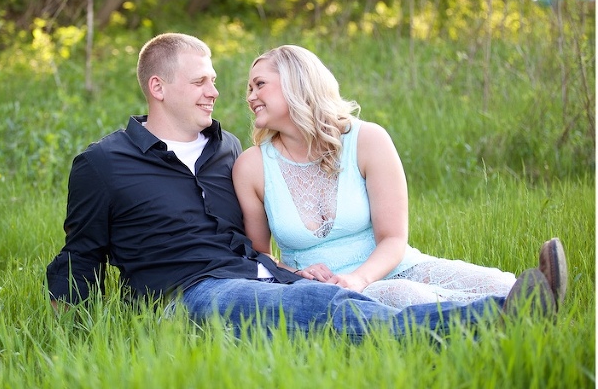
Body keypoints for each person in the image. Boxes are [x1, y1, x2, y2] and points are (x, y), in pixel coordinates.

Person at [46, 33, 563, 339]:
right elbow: (81, 255)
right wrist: (71, 335)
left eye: (216, 80)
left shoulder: (224, 152)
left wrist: (288, 272)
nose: (217, 92)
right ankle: (501, 318)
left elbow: (254, 248)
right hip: (186, 293)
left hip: (259, 278)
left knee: (358, 304)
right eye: (202, 81)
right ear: (158, 88)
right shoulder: (104, 163)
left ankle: (509, 306)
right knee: (328, 308)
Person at [232, 44, 568, 310]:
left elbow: (393, 238)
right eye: (248, 88)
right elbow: (259, 256)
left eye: (259, 84)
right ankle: (518, 310)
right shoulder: (252, 167)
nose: (250, 97)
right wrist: (297, 274)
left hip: (391, 265)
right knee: (406, 296)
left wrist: (359, 278)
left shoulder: (367, 140)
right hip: (326, 290)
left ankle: (528, 297)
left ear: (296, 82)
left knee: (495, 282)